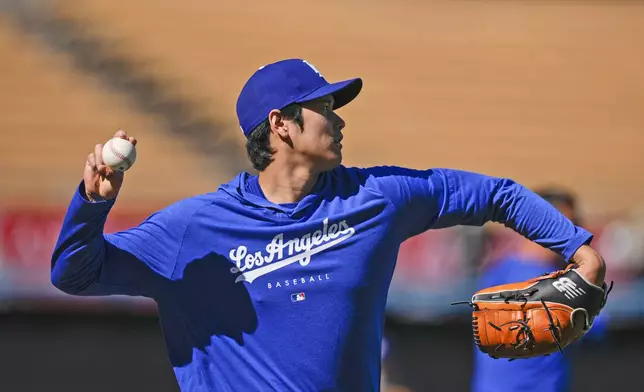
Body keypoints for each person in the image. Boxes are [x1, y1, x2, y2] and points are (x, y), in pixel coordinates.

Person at [50, 58, 607, 392]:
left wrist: (577, 247)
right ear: (281, 125)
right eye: (324, 106)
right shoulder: (194, 227)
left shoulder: (378, 198)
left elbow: (495, 193)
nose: (338, 118)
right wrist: (91, 205)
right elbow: (75, 273)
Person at [471, 186, 609, 392]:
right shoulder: (504, 274)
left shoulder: (497, 271)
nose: (573, 235)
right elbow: (597, 327)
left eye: (575, 227)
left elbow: (598, 329)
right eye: (565, 226)